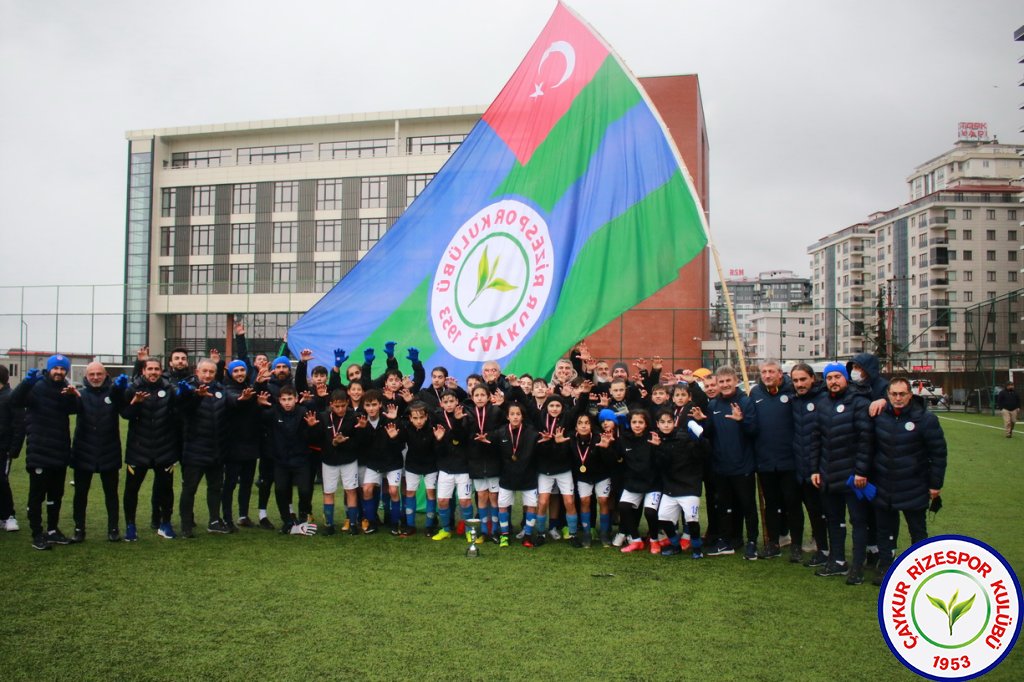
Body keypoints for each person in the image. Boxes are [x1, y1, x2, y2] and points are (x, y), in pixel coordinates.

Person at [869, 377, 947, 585]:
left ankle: (920, 570)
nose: (898, 398)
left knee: (917, 530)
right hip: (884, 484)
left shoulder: (926, 419)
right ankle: (886, 566)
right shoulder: (879, 416)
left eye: (902, 394)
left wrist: (935, 484)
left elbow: (938, 454)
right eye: (893, 394)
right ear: (887, 395)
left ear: (910, 395)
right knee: (884, 530)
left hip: (914, 484)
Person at [810, 363, 873, 585]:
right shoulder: (822, 403)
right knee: (834, 519)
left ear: (846, 378)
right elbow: (816, 438)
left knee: (858, 520)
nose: (833, 381)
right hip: (828, 473)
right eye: (829, 378)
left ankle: (857, 565)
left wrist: (861, 470)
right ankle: (837, 560)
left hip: (853, 476)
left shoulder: (859, 402)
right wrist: (815, 469)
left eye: (837, 377)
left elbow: (866, 439)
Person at [10, 354, 79, 550]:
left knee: (56, 495)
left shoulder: (66, 388)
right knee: (37, 496)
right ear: (49, 369)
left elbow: (74, 410)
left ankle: (52, 530)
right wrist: (25, 383)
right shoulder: (35, 386)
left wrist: (73, 396)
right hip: (39, 452)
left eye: (62, 369)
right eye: (55, 368)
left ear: (66, 370)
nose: (58, 372)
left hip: (59, 451)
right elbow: (14, 401)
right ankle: (37, 533)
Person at [703, 366, 759, 560]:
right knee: (724, 505)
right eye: (722, 382)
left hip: (743, 465)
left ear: (736, 381)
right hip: (721, 465)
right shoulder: (713, 405)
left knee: (747, 505)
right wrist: (703, 422)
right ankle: (726, 540)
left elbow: (753, 431)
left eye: (728, 381)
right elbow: (710, 434)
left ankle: (752, 541)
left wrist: (741, 420)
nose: (725, 385)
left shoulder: (745, 401)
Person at [749, 360, 803, 561]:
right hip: (765, 460)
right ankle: (773, 543)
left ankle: (796, 544)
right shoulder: (755, 393)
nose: (767, 375)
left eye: (771, 371)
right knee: (771, 504)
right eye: (764, 372)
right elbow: (751, 425)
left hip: (789, 460)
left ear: (780, 374)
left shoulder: (792, 392)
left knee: (792, 503)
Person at [121, 358, 179, 540]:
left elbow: (179, 414)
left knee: (166, 490)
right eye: (150, 369)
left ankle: (165, 523)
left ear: (161, 371)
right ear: (144, 371)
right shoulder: (133, 388)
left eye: (156, 369)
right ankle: (130, 526)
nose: (153, 372)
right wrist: (135, 402)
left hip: (164, 449)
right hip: (138, 449)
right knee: (132, 490)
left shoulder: (170, 389)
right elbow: (125, 415)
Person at [70, 362, 127, 543]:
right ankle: (79, 529)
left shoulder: (113, 394)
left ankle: (113, 529)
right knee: (80, 494)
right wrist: (70, 398)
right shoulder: (80, 394)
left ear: (105, 375)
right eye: (92, 374)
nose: (95, 377)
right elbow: (69, 409)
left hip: (109, 451)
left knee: (111, 493)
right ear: (86, 376)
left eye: (99, 374)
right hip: (83, 451)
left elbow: (128, 412)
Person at [176, 358, 230, 537]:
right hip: (194, 450)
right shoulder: (188, 390)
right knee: (190, 488)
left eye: (211, 372)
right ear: (197, 372)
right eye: (204, 371)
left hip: (217, 450)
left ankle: (214, 520)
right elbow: (184, 410)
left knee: (215, 488)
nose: (207, 375)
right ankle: (186, 524)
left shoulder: (221, 390)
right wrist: (196, 397)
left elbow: (233, 408)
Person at [258, 385, 318, 535]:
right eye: (284, 399)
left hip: (301, 460)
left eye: (290, 399)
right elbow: (257, 418)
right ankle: (287, 521)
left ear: (296, 399)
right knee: (280, 490)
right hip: (281, 461)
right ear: (279, 400)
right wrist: (259, 405)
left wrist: (311, 427)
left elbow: (314, 435)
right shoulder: (273, 412)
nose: (287, 402)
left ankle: (304, 518)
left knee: (305, 491)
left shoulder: (303, 412)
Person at [788, 363, 830, 568]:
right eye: (795, 380)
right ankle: (807, 544)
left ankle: (825, 548)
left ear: (813, 378)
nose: (799, 384)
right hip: (798, 465)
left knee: (820, 510)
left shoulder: (824, 398)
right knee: (802, 508)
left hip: (819, 467)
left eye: (803, 379)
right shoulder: (793, 400)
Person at [653, 409, 709, 558]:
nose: (666, 425)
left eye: (669, 422)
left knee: (692, 520)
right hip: (670, 488)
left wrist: (700, 440)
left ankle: (697, 548)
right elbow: (661, 464)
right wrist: (658, 447)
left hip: (689, 486)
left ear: (674, 422)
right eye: (662, 422)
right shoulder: (656, 439)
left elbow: (703, 452)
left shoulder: (685, 437)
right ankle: (675, 545)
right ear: (657, 424)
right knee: (663, 518)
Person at [485, 402, 540, 548]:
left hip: (528, 477)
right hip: (507, 477)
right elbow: (492, 450)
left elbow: (540, 450)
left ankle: (527, 535)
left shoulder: (532, 432)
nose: (515, 417)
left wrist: (545, 443)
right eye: (512, 414)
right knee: (502, 506)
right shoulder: (500, 432)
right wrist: (485, 443)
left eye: (518, 414)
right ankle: (504, 535)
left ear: (522, 416)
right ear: (507, 416)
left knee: (531, 506)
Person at [355, 389, 404, 535]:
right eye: (368, 405)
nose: (371, 408)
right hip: (374, 462)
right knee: (367, 489)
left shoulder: (390, 418)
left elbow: (401, 444)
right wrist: (363, 430)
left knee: (393, 490)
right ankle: (371, 522)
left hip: (393, 462)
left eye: (374, 404)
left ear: (380, 405)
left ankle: (395, 524)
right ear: (364, 406)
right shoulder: (361, 421)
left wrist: (394, 434)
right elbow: (361, 445)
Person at [222, 359, 261, 530]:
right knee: (230, 483)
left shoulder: (250, 388)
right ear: (230, 373)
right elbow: (232, 401)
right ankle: (227, 518)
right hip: (232, 445)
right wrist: (241, 399)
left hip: (250, 444)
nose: (239, 373)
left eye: (242, 370)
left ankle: (243, 515)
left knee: (246, 482)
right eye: (236, 370)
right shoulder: (226, 389)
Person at [431, 390, 474, 541]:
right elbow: (439, 449)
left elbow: (460, 439)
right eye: (446, 402)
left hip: (463, 468)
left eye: (451, 401)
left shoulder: (465, 416)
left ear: (457, 401)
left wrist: (456, 422)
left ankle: (470, 531)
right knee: (442, 501)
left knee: (465, 501)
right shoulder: (437, 419)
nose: (449, 404)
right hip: (445, 468)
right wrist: (439, 440)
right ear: (441, 404)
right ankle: (446, 529)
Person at [399, 401, 439, 535]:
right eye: (415, 418)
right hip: (412, 465)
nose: (419, 421)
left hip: (431, 465)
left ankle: (429, 525)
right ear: (410, 418)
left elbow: (439, 448)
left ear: (426, 416)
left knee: (430, 493)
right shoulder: (406, 428)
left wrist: (439, 440)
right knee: (410, 493)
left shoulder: (433, 428)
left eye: (421, 417)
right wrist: (394, 438)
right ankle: (410, 525)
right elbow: (398, 442)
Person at [0, 365, 25, 532]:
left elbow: (19, 425)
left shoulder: (11, 397)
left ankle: (9, 516)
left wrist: (13, 449)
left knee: (1, 481)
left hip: (3, 450)